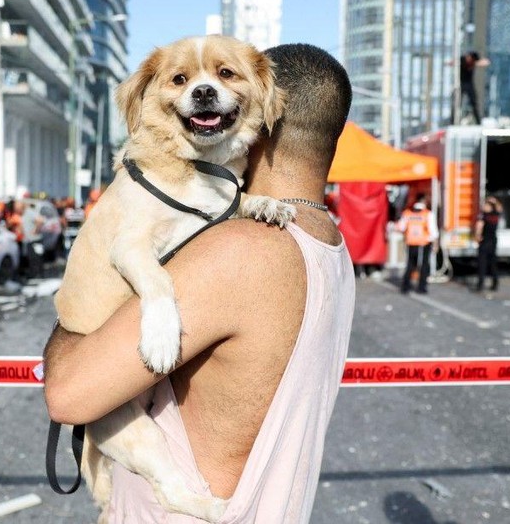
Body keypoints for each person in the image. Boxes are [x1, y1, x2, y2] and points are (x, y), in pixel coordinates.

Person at [43, 43, 355, 522]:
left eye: (227, 77)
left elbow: (67, 394)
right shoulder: (331, 250)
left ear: (265, 114)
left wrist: (78, 297)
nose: (207, 91)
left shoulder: (235, 250)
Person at [397, 193, 438, 294]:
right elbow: (433, 232)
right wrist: (436, 244)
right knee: (424, 265)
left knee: (410, 265)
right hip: (423, 243)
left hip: (411, 243)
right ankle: (421, 287)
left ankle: (405, 286)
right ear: (424, 201)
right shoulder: (428, 214)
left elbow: (401, 227)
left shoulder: (407, 213)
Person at [474, 197, 502, 292]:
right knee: (493, 263)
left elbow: (479, 226)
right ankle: (495, 283)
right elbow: (499, 208)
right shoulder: (496, 214)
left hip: (485, 241)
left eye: (485, 205)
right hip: (493, 241)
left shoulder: (483, 216)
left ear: (489, 206)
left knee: (482, 263)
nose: (483, 206)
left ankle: (480, 285)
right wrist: (495, 201)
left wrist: (477, 236)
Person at [456, 51, 490, 124]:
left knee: (474, 102)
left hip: (469, 84)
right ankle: (454, 119)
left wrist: (475, 63)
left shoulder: (474, 62)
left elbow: (486, 62)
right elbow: (453, 62)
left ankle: (478, 121)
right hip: (461, 83)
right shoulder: (462, 59)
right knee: (457, 102)